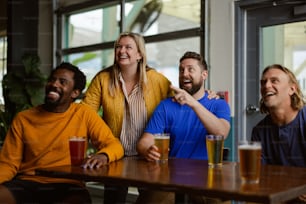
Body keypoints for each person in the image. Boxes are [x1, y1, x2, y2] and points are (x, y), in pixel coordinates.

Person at [0, 62, 124, 204]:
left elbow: (115, 145)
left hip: (68, 185)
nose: (54, 84)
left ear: (75, 93)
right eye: (52, 80)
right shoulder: (23, 118)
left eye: (62, 82)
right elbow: (8, 163)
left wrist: (103, 156)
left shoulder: (84, 114)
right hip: (28, 183)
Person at [136, 51, 231, 203]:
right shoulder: (166, 106)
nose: (184, 74)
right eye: (181, 70)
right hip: (171, 178)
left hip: (208, 178)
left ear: (204, 75)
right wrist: (148, 150)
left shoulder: (219, 104)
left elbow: (221, 133)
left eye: (190, 69)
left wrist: (193, 103)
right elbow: (144, 141)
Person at [251, 64, 306, 202]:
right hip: (280, 195)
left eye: (274, 81)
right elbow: (262, 175)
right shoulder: (259, 131)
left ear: (292, 89)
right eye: (263, 82)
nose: (266, 86)